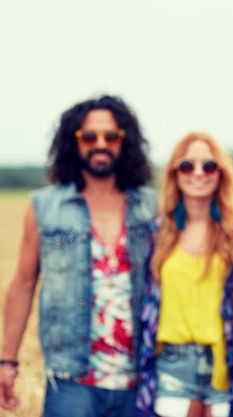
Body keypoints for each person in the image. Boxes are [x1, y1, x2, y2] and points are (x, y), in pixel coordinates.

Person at [0, 95, 157, 417]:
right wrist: (8, 361)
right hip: (72, 383)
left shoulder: (149, 206)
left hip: (140, 381)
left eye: (111, 136)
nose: (100, 144)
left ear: (125, 142)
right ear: (73, 143)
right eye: (89, 136)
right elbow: (23, 284)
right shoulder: (44, 208)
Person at [149, 131, 233, 417]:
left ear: (221, 173)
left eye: (209, 165)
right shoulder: (157, 232)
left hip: (224, 361)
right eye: (188, 166)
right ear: (174, 174)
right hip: (173, 360)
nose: (198, 173)